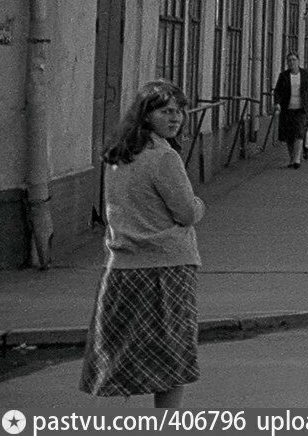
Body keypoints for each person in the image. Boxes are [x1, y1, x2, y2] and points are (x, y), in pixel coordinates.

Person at [81, 81, 204, 408]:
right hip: (167, 270)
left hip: (121, 269)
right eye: (166, 111)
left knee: (127, 356)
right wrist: (200, 205)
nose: (175, 118)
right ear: (146, 115)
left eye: (179, 111)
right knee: (172, 359)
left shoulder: (118, 156)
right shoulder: (164, 157)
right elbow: (187, 212)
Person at [272, 53, 308, 169]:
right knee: (289, 136)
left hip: (301, 109)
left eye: (294, 60)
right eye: (289, 60)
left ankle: (296, 160)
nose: (291, 62)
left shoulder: (306, 74)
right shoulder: (284, 76)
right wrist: (277, 103)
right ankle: (292, 158)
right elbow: (278, 91)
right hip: (287, 109)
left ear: (298, 61)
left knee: (299, 133)